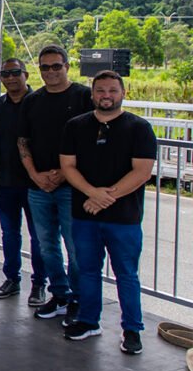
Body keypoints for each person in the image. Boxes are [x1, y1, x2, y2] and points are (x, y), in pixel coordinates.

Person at [60, 70, 156, 355]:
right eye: (100, 90)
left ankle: (132, 329)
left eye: (112, 90)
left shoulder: (139, 128)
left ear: (123, 93)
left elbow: (142, 172)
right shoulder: (75, 126)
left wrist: (102, 197)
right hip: (84, 215)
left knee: (126, 273)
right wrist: (92, 193)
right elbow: (68, 166)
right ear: (92, 94)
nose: (106, 95)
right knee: (86, 270)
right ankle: (89, 320)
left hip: (123, 218)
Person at [19, 44, 93, 324]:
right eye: (45, 67)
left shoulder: (84, 97)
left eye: (56, 66)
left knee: (75, 246)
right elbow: (22, 141)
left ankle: (77, 297)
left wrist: (64, 174)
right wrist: (35, 175)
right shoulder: (33, 100)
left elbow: (89, 143)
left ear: (67, 67)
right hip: (38, 186)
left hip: (71, 188)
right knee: (46, 245)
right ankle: (59, 294)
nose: (50, 71)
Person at [0, 59, 47, 305]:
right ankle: (12, 279)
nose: (11, 78)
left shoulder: (40, 103)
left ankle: (39, 284)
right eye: (5, 74)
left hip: (36, 183)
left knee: (40, 236)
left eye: (15, 73)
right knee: (9, 234)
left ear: (25, 74)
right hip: (5, 180)